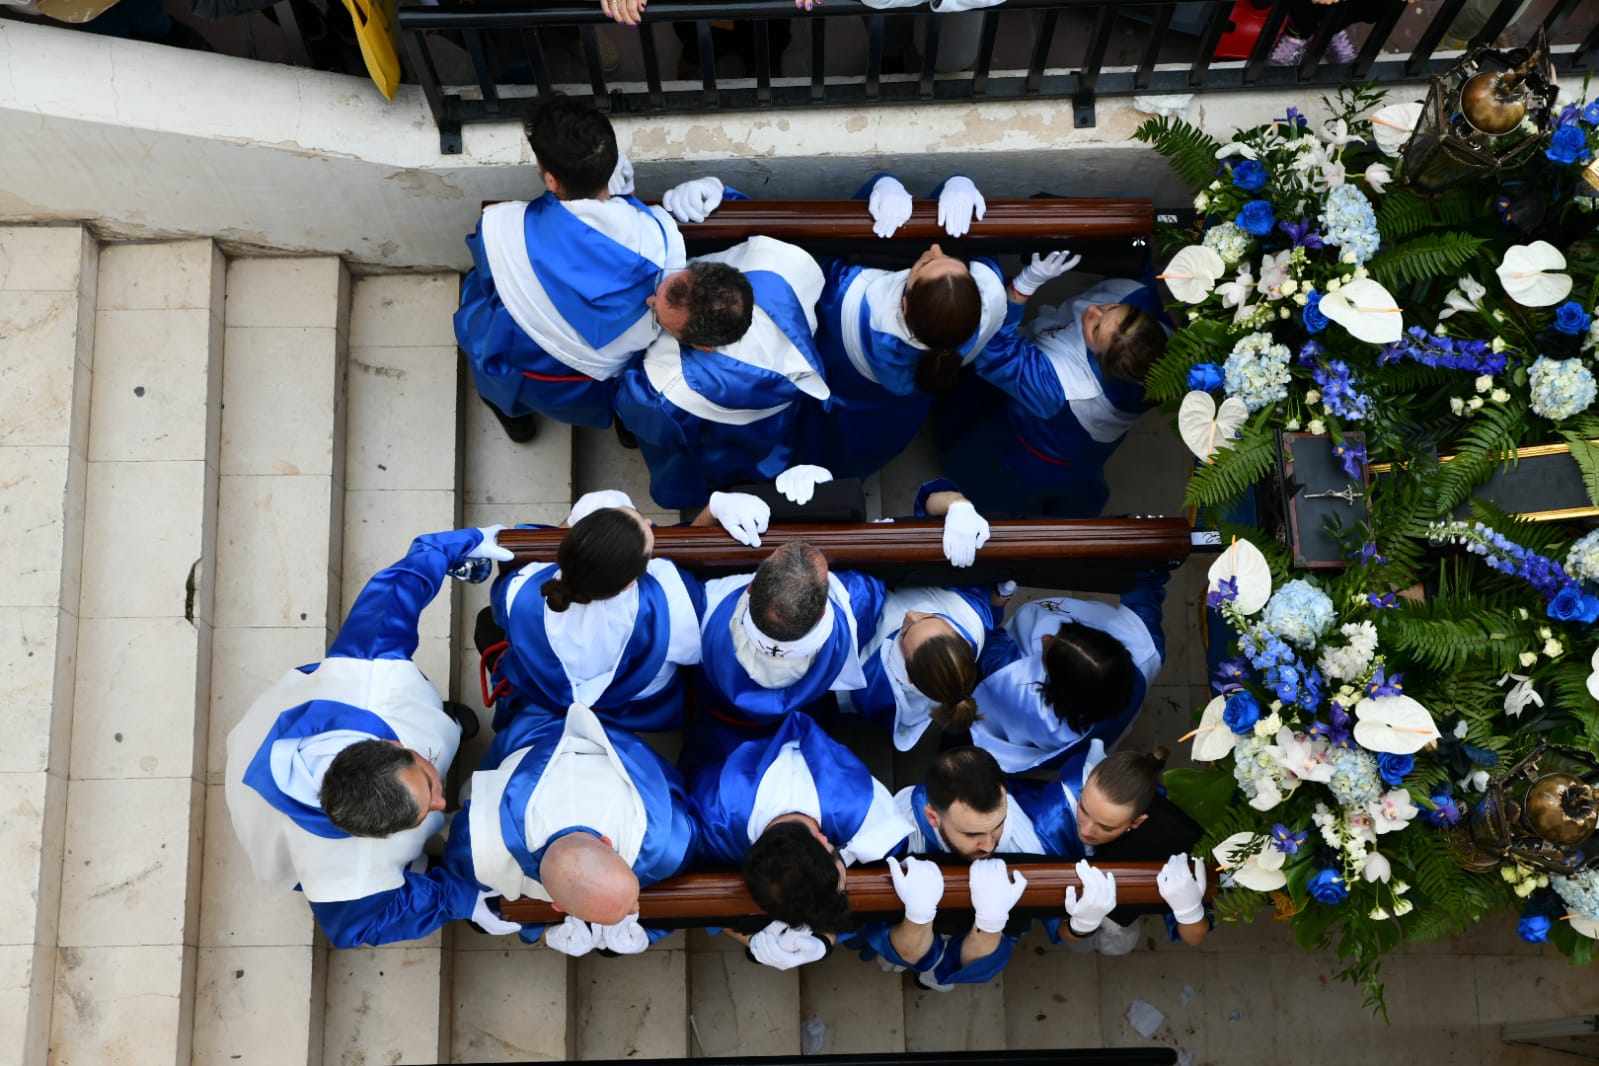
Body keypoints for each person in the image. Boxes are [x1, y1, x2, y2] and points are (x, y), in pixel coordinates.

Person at [223, 527, 520, 948]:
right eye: (424, 811)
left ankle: (447, 724)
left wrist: (461, 544)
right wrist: (459, 900)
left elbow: (398, 589)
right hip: (264, 816)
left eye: (430, 782)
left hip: (309, 715)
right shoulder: (344, 868)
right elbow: (358, 926)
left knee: (435, 724)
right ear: (368, 837)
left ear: (394, 746)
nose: (443, 802)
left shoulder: (369, 674)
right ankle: (443, 740)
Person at [454, 96, 752, 441]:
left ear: (550, 179)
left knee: (481, 317)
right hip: (583, 388)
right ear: (611, 163)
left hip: (507, 360)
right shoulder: (659, 238)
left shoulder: (505, 226)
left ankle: (516, 424)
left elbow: (487, 277)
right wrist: (715, 189)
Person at [791, 174, 1009, 478]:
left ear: (904, 305)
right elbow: (969, 237)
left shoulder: (852, 303)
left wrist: (878, 184)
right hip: (901, 415)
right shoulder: (985, 309)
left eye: (926, 264)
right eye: (950, 257)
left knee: (822, 438)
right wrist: (957, 184)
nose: (935, 247)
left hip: (845, 390)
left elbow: (831, 256)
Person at [442, 702, 699, 955]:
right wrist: (650, 933)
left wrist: (539, 932)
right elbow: (673, 789)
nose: (635, 910)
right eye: (635, 902)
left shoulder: (667, 841)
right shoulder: (479, 846)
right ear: (556, 905)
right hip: (535, 739)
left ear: (556, 906)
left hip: (534, 733)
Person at [937, 255, 1172, 517]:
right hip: (1084, 442)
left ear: (1102, 365)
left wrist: (1023, 287)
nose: (1092, 310)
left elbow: (994, 351)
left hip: (1040, 448)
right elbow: (1134, 260)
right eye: (1113, 307)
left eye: (1095, 329)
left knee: (1000, 476)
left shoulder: (1060, 388)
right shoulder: (1146, 311)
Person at [610, 235, 827, 509]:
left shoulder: (667, 383)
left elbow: (633, 408)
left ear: (702, 347)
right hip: (780, 420)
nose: (650, 300)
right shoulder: (780, 266)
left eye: (659, 315)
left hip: (708, 434)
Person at [689, 711, 913, 969]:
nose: (845, 886)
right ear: (823, 839)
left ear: (822, 840)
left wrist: (824, 937)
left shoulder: (862, 810)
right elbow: (700, 876)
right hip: (724, 731)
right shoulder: (714, 820)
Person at [479, 490, 711, 734]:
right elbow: (693, 655)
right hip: (634, 705)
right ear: (629, 583)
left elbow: (501, 614)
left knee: (487, 624)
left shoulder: (520, 588)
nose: (649, 521)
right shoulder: (674, 597)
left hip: (546, 693)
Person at [969, 570, 1168, 776]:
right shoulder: (1145, 644)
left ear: (1058, 685)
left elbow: (985, 633)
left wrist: (996, 599)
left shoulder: (1009, 677)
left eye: (1047, 651)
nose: (1045, 638)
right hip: (1102, 730)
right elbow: (1148, 579)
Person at [693, 537, 883, 732]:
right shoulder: (855, 604)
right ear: (821, 615)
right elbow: (874, 585)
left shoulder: (707, 602)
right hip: (808, 711)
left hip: (720, 709)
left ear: (750, 586)